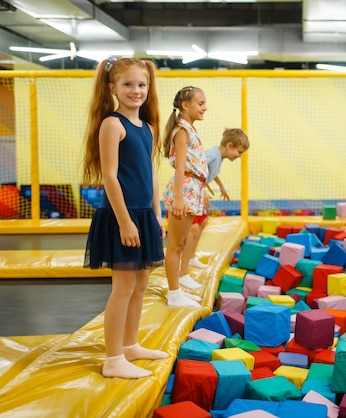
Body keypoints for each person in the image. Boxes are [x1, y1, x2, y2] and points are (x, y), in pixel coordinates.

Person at [82, 57, 168, 379]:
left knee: (141, 282)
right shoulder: (112, 124)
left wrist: (157, 214)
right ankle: (113, 357)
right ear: (112, 88)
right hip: (122, 214)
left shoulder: (148, 127)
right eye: (128, 84)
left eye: (142, 84)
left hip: (143, 214)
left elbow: (152, 175)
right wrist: (125, 221)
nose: (136, 90)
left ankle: (130, 344)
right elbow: (110, 176)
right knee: (123, 286)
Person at [178, 128, 250, 284]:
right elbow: (195, 169)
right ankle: (182, 269)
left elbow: (212, 172)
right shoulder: (212, 154)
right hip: (190, 192)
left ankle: (191, 257)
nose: (239, 156)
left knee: (203, 222)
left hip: (198, 191)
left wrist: (221, 186)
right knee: (193, 229)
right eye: (239, 152)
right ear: (229, 145)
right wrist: (202, 189)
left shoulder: (219, 156)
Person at [162, 86, 210, 308]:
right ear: (185, 105)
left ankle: (179, 284)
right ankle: (173, 293)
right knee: (175, 244)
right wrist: (179, 198)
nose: (204, 108)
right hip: (185, 189)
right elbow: (180, 166)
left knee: (181, 243)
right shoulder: (182, 131)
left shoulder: (190, 129)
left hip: (194, 188)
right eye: (200, 104)